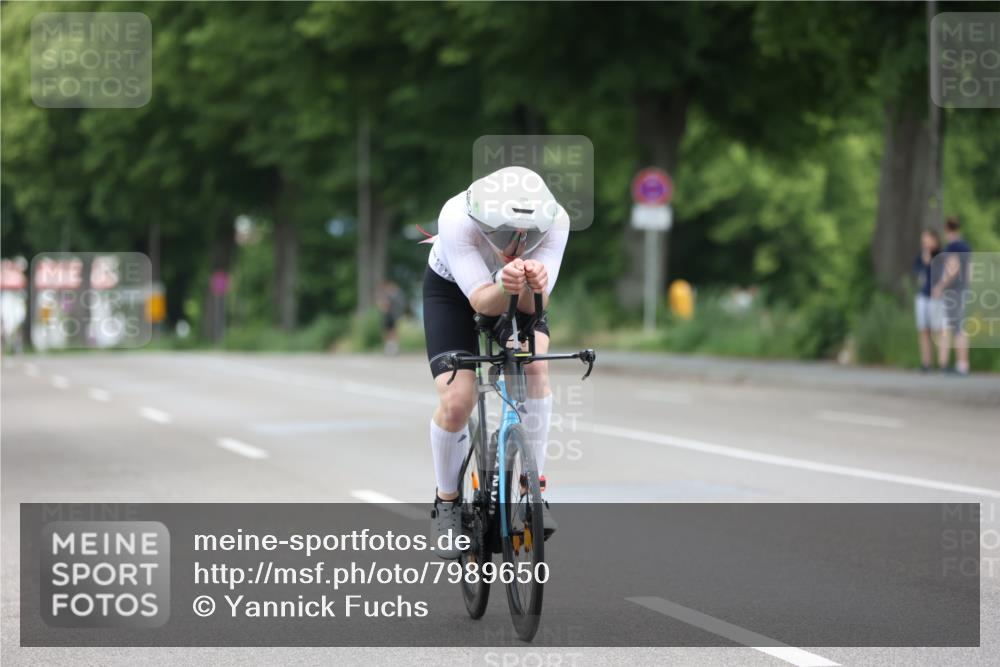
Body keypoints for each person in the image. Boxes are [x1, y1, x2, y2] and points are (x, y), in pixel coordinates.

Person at [422, 165, 569, 559]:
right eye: (505, 235)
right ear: (482, 221)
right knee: (457, 402)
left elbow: (535, 306)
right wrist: (507, 283)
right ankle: (447, 500)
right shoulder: (456, 217)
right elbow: (481, 302)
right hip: (456, 291)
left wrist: (534, 285)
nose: (518, 244)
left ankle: (531, 490)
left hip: (515, 290)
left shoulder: (556, 221)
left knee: (536, 367)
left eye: (529, 237)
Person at [933, 217, 972, 375]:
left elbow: (952, 269)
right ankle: (962, 364)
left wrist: (940, 286)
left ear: (947, 229)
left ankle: (960, 365)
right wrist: (967, 287)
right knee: (959, 327)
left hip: (953, 290)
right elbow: (969, 270)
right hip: (962, 289)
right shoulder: (966, 246)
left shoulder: (952, 246)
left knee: (955, 328)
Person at [913, 230, 942, 372]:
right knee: (924, 330)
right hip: (923, 296)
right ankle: (926, 363)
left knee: (937, 330)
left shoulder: (941, 255)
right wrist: (925, 263)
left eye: (927, 239)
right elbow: (919, 276)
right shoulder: (921, 256)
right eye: (923, 240)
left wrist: (930, 263)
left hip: (936, 297)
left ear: (934, 239)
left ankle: (941, 363)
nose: (924, 243)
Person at [377, 280, 407, 355]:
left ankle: (392, 348)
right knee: (389, 332)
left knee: (392, 332)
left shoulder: (391, 295)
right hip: (388, 316)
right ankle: (389, 348)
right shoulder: (388, 294)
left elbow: (385, 305)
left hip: (391, 315)